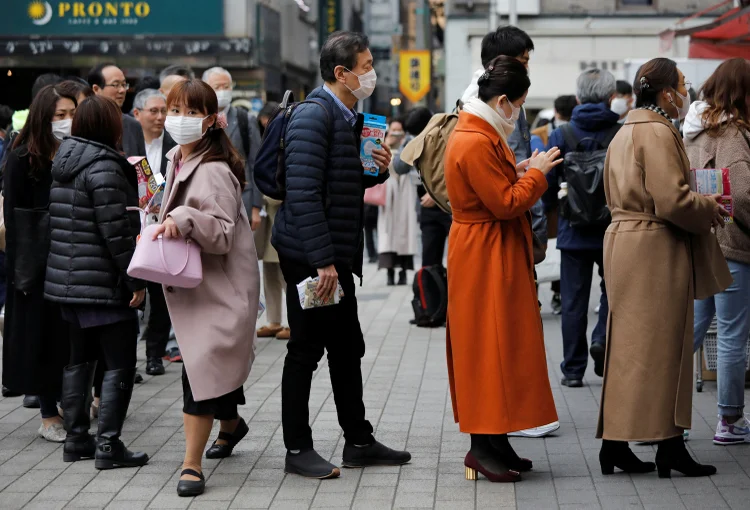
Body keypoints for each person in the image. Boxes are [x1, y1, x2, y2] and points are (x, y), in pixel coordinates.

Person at [274, 31, 410, 479]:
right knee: (305, 351)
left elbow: (339, 186)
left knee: (346, 348)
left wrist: (374, 171)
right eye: (366, 65)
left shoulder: (347, 116)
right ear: (341, 72)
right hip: (313, 259)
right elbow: (304, 194)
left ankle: (359, 440)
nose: (371, 73)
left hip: (334, 255)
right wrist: (323, 260)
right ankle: (298, 449)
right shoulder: (314, 116)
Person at [598, 57, 731, 478]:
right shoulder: (657, 131)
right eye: (682, 85)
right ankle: (668, 446)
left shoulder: (626, 130)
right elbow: (671, 201)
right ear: (666, 93)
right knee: (664, 348)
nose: (686, 93)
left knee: (630, 349)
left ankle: (618, 443)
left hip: (625, 240)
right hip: (655, 245)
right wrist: (709, 207)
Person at [445, 55, 560, 483]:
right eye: (521, 103)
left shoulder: (478, 130)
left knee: (501, 343)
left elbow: (497, 186)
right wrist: (539, 175)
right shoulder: (475, 138)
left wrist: (522, 169)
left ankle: (494, 440)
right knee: (486, 345)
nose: (520, 111)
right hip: (484, 251)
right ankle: (481, 445)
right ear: (505, 100)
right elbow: (506, 202)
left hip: (486, 247)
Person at [155, 79, 260, 497]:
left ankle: (191, 465)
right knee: (211, 366)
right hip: (200, 285)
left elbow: (219, 233)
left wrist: (181, 218)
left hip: (222, 289)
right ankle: (231, 425)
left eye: (191, 112)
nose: (179, 120)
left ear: (212, 120)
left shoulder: (214, 170)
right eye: (174, 110)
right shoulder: (177, 159)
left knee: (197, 369)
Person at [46, 95, 149, 470]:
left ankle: (77, 440)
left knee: (79, 360)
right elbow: (117, 234)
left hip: (69, 284)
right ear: (110, 126)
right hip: (103, 285)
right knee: (119, 362)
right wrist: (135, 281)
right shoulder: (104, 165)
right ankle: (108, 445)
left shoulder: (65, 161)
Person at [2, 84, 77, 442]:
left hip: (75, 258)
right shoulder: (21, 158)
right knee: (43, 338)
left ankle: (69, 403)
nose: (67, 121)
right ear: (42, 118)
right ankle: (49, 414)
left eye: (72, 114)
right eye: (60, 116)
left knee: (69, 338)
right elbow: (15, 219)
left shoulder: (78, 152)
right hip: (37, 261)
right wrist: (21, 271)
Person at [684, 58, 750, 446]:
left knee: (689, 330)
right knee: (731, 334)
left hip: (700, 239)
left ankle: (666, 414)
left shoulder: (694, 130)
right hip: (733, 244)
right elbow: (741, 194)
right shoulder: (734, 135)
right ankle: (730, 420)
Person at [543, 68, 621, 386]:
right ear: (611, 97)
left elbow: (546, 183)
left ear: (578, 97)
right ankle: (602, 337)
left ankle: (573, 370)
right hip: (612, 227)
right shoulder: (620, 132)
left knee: (573, 301)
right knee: (613, 293)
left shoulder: (562, 134)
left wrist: (551, 212)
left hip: (572, 229)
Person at [132, 88, 178, 375]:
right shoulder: (127, 142)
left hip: (162, 230)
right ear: (137, 114)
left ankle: (154, 354)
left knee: (159, 296)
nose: (160, 117)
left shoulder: (173, 146)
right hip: (132, 229)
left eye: (164, 111)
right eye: (154, 111)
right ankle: (128, 359)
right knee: (134, 297)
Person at [202, 67, 263, 232]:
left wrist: (256, 207)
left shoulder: (245, 119)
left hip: (242, 198)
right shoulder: (198, 120)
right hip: (208, 198)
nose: (222, 91)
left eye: (226, 86)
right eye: (217, 87)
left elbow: (256, 163)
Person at [377, 118, 417, 285]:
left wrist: (403, 145)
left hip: (405, 193)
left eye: (399, 131)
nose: (396, 134)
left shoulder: (408, 144)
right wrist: (387, 143)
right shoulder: (382, 145)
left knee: (406, 231)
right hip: (388, 193)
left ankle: (403, 272)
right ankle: (389, 271)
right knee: (387, 232)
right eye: (393, 131)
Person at [88, 63, 145, 158]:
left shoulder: (133, 126)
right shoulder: (85, 123)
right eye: (116, 85)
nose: (122, 90)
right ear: (96, 89)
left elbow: (143, 168)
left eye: (123, 84)